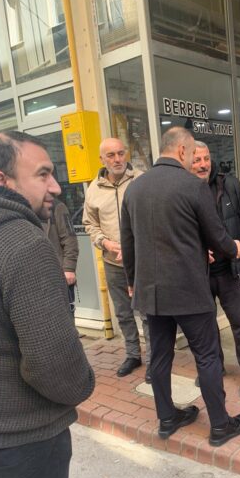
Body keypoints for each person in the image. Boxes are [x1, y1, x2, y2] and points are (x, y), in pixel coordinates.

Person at [0, 131, 95, 478]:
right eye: (43, 174)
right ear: (2, 181)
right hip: (25, 434)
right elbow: (52, 363)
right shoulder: (23, 244)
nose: (55, 186)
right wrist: (83, 385)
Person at [121, 127, 240, 447]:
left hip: (152, 292)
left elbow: (129, 242)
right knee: (206, 356)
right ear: (181, 150)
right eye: (192, 154)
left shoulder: (134, 189)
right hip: (189, 289)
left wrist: (132, 282)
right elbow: (217, 235)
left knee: (160, 355)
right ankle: (220, 425)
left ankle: (167, 418)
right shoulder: (193, 186)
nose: (194, 160)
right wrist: (234, 248)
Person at [191, 141, 240, 398]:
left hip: (232, 270)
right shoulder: (184, 190)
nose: (203, 165)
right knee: (206, 326)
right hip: (200, 273)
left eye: (206, 158)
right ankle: (215, 368)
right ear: (187, 161)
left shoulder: (229, 184)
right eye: (197, 160)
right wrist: (198, 250)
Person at [83, 137, 151, 379]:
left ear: (127, 154)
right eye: (111, 155)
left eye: (121, 153)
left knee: (147, 313)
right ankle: (133, 354)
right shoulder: (94, 189)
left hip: (142, 261)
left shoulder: (142, 180)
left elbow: (154, 217)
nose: (117, 159)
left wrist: (137, 246)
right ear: (102, 159)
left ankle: (154, 359)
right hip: (113, 262)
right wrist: (105, 243)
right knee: (123, 313)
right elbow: (90, 224)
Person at [43, 198, 79, 315]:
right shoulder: (21, 208)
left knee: (65, 316)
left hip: (58, 275)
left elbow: (70, 240)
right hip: (35, 277)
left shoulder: (57, 207)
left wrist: (69, 268)